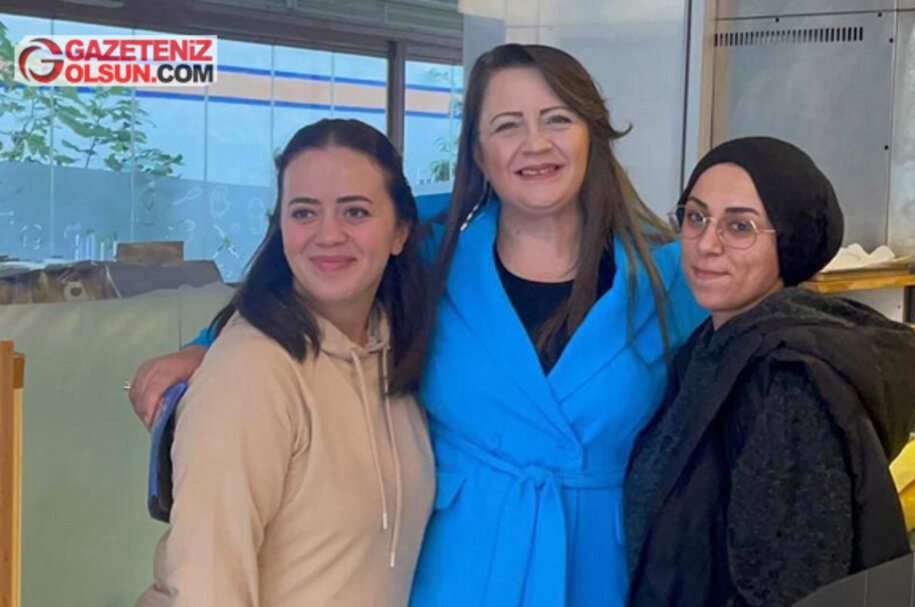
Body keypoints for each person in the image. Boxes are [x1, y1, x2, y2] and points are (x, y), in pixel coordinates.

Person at [130, 44, 706, 606]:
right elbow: (323, 256)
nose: (535, 143)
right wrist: (203, 346)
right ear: (479, 154)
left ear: (592, 135)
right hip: (456, 569)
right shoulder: (435, 248)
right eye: (507, 125)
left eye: (557, 119)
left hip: (598, 567)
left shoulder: (669, 276)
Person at [135, 119, 435, 607]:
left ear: (400, 231)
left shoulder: (392, 353)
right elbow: (207, 585)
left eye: (355, 211)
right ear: (281, 227)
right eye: (304, 212)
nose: (328, 234)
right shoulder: (251, 371)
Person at [624, 137, 915, 607]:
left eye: (739, 227)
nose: (707, 244)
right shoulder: (711, 348)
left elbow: (786, 588)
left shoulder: (786, 382)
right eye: (696, 217)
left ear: (788, 242)